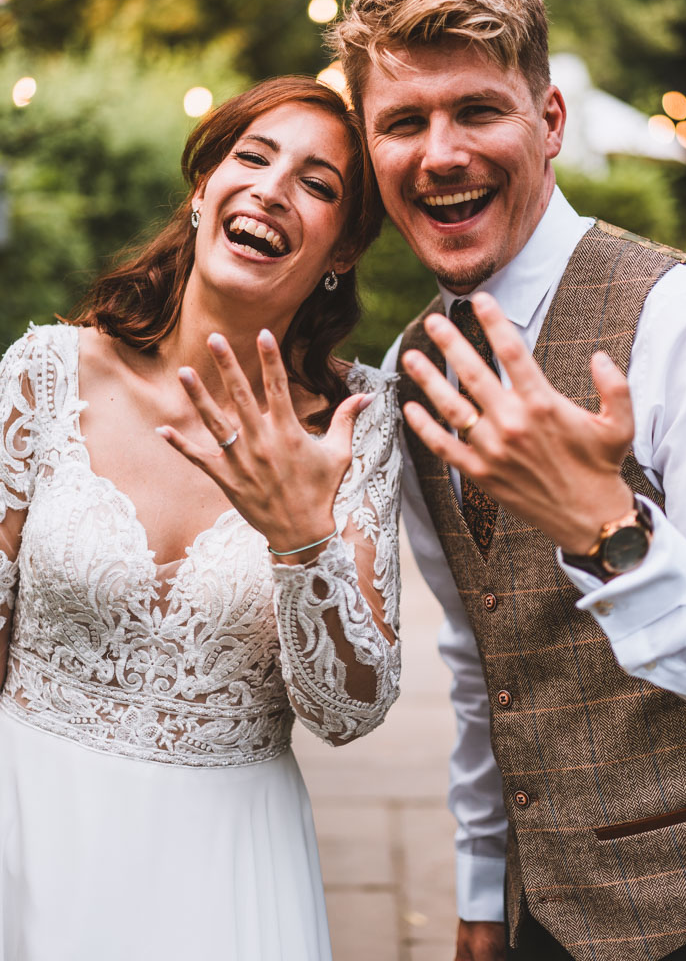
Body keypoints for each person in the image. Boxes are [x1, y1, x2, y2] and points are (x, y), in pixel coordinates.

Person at [330, 0, 686, 961]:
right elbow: (478, 660)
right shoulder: (413, 368)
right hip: (547, 923)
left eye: (477, 112)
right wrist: (479, 890)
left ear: (548, 123)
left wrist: (609, 530)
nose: (440, 153)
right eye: (402, 124)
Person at [0, 75, 402, 961]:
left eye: (317, 183)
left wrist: (304, 540)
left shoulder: (353, 425)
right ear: (202, 192)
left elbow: (350, 712)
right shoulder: (46, 374)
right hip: (30, 823)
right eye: (251, 158)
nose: (271, 188)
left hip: (224, 863)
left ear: (342, 248)